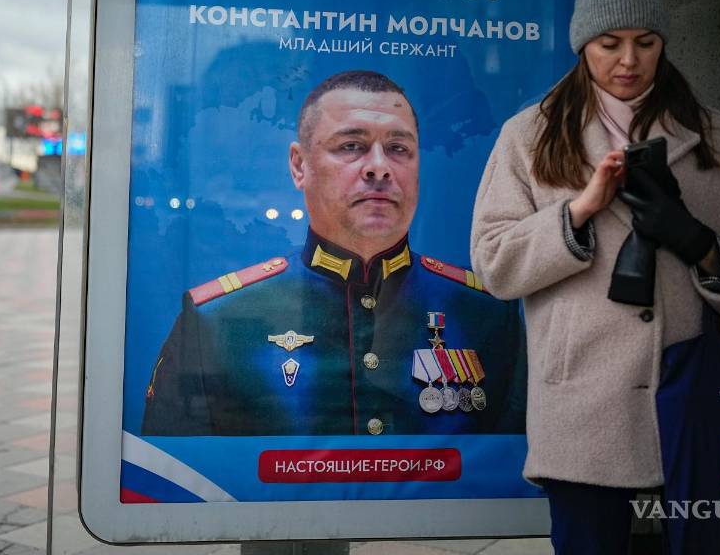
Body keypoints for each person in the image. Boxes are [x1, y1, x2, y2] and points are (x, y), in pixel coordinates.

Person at [469, 0, 720, 553]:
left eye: (645, 42)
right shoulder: (530, 135)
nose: (628, 61)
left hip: (705, 410)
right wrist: (577, 213)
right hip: (582, 413)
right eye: (608, 43)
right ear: (581, 46)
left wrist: (699, 244)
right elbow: (493, 264)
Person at [144, 70, 527, 436]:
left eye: (398, 148)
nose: (379, 168)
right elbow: (174, 483)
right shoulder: (216, 320)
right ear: (299, 165)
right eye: (351, 146)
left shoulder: (484, 312)